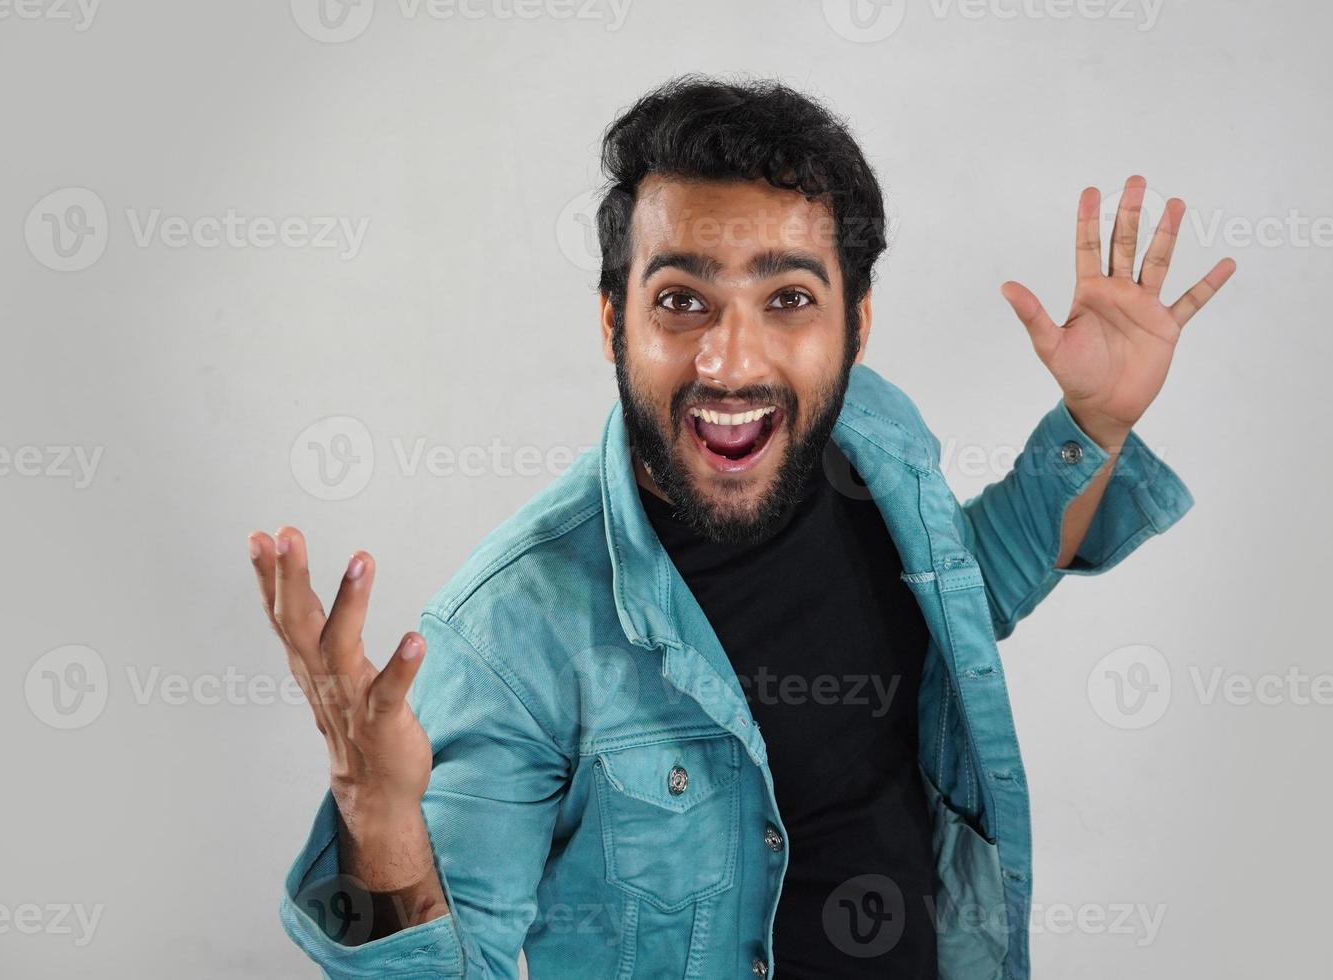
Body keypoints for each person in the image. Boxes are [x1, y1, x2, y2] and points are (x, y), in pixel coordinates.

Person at [248, 74, 1233, 979]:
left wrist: (1091, 429)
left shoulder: (873, 439)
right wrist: (379, 823)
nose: (729, 360)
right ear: (610, 321)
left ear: (856, 323)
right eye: (681, 299)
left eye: (788, 298)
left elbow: (962, 595)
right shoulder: (511, 635)